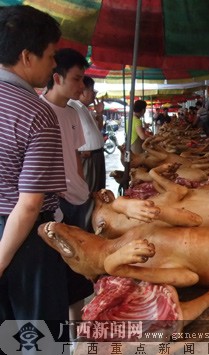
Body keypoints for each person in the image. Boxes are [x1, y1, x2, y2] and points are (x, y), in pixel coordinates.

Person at [0, 5, 70, 322]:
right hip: (24, 239)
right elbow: (29, 205)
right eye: (51, 55)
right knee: (35, 339)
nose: (54, 64)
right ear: (27, 57)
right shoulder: (37, 113)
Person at [41, 48, 94, 324]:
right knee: (57, 271)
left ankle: (76, 331)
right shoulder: (39, 112)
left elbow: (75, 154)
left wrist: (82, 187)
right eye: (76, 79)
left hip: (77, 200)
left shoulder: (72, 113)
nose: (81, 85)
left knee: (79, 269)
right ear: (57, 77)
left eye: (83, 79)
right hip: (53, 203)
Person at [68, 75, 106, 232]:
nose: (94, 95)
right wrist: (78, 151)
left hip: (95, 155)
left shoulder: (84, 109)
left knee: (97, 192)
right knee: (88, 193)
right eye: (92, 91)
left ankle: (94, 224)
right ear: (83, 90)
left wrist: (99, 114)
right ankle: (86, 228)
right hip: (86, 157)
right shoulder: (72, 106)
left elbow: (97, 129)